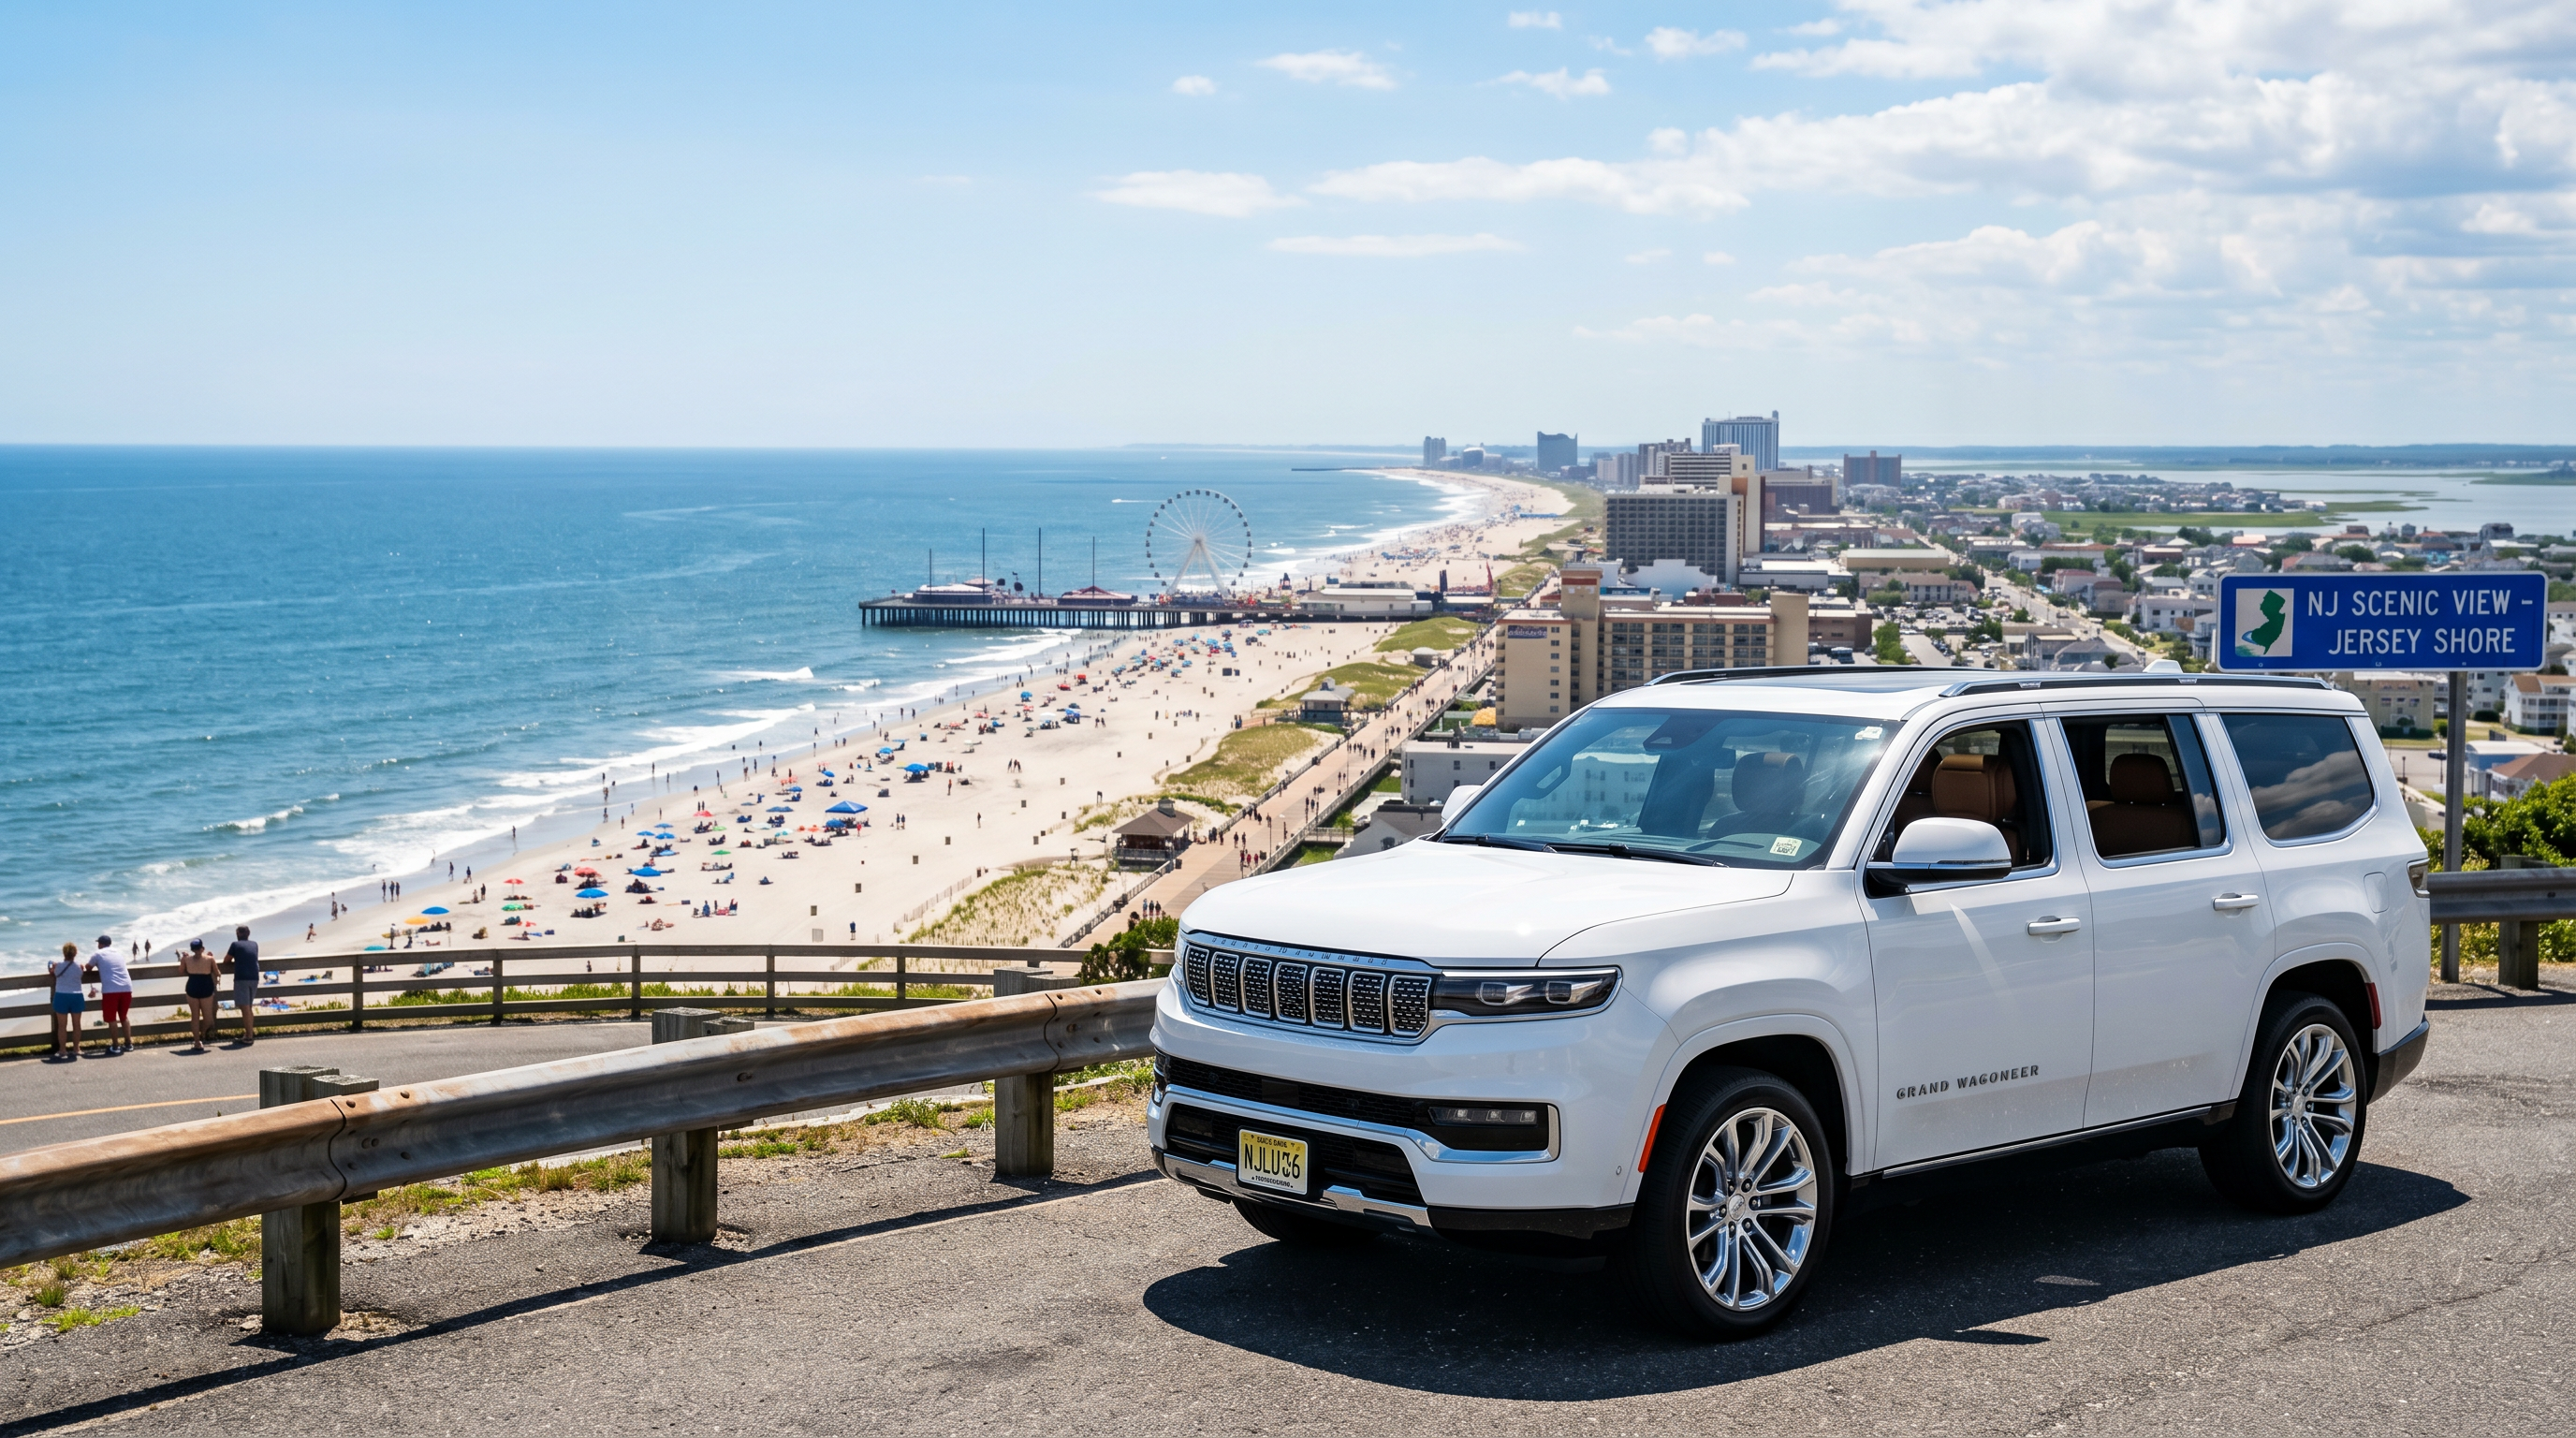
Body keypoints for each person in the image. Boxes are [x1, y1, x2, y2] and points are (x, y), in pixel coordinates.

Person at [91, 934, 133, 1055]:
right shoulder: (118, 953)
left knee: (111, 1018)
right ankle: (128, 1044)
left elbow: (88, 967)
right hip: (126, 987)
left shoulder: (98, 954)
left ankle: (115, 1046)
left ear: (100, 944)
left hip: (111, 990)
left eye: (98, 943)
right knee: (124, 1017)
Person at [222, 924, 261, 1046]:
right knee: (248, 1007)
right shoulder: (254, 944)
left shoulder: (235, 945)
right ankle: (249, 1033)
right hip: (254, 977)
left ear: (238, 934)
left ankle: (249, 1036)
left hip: (242, 978)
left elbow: (226, 960)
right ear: (248, 934)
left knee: (245, 1008)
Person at [49, 942, 87, 1060]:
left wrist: (51, 965)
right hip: (76, 996)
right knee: (77, 1024)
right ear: (75, 953)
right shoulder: (80, 966)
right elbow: (80, 973)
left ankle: (62, 1050)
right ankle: (76, 1049)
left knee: (62, 1026)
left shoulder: (58, 966)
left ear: (64, 953)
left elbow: (52, 972)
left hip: (61, 996)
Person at [180, 939, 219, 1049]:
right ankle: (202, 1034)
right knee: (208, 1017)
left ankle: (197, 1041)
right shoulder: (210, 959)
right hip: (206, 988)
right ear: (202, 948)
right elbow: (217, 973)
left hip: (192, 987)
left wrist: (183, 960)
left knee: (195, 1016)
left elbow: (181, 971)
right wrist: (212, 959)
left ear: (192, 949)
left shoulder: (187, 959)